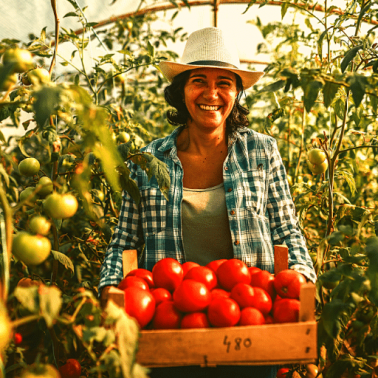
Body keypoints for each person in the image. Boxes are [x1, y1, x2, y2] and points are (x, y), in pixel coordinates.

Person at [99, 27, 316, 378]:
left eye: (224, 83)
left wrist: (303, 281)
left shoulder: (261, 151)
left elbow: (287, 229)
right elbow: (122, 242)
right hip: (168, 331)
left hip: (250, 329)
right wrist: (111, 291)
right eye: (198, 80)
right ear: (181, 91)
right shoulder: (148, 160)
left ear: (237, 93)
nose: (211, 94)